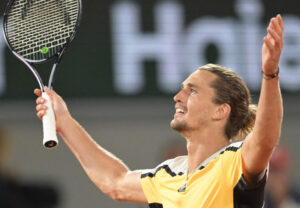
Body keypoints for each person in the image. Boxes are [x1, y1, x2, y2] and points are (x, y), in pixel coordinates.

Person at [34, 14, 284, 207]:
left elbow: (264, 140)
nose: (177, 97)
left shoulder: (233, 161)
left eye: (192, 91)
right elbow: (115, 182)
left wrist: (270, 74)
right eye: (181, 89)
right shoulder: (168, 174)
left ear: (220, 111)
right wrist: (64, 121)